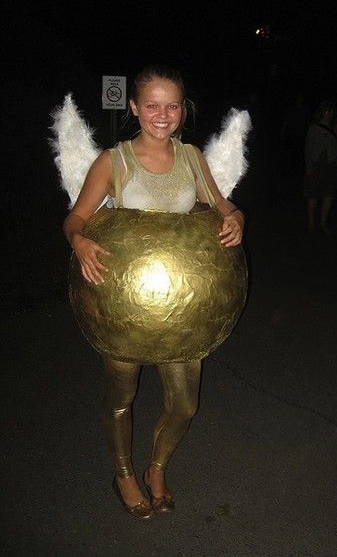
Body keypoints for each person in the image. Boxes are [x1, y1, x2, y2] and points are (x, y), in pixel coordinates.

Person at [62, 64, 245, 520]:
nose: (162, 115)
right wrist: (79, 240)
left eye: (172, 106)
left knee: (184, 404)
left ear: (183, 109)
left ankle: (156, 467)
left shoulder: (191, 157)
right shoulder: (113, 162)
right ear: (134, 108)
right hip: (122, 307)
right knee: (121, 399)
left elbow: (219, 201)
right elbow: (76, 218)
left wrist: (234, 214)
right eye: (152, 105)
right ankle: (123, 473)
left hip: (184, 310)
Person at [302, 100, 337, 233]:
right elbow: (308, 148)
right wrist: (308, 166)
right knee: (313, 194)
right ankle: (311, 222)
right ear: (324, 112)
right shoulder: (314, 128)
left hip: (331, 165)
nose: (330, 113)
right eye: (329, 111)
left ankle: (323, 222)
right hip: (316, 165)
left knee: (329, 194)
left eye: (332, 111)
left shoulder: (336, 128)